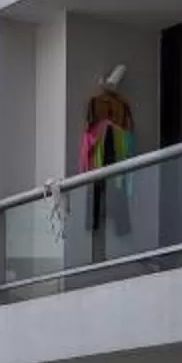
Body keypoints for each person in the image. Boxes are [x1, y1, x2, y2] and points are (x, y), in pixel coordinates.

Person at [77, 67, 135, 259]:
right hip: (107, 152)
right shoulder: (115, 105)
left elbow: (89, 131)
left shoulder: (111, 105)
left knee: (104, 188)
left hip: (107, 152)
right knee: (112, 189)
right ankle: (113, 226)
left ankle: (100, 224)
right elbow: (128, 132)